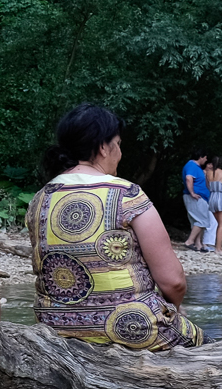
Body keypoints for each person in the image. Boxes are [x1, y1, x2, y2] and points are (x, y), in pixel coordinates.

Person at [28, 104, 202, 351]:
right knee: (206, 347)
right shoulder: (127, 194)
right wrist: (175, 309)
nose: (120, 152)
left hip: (55, 330)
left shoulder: (40, 199)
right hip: (134, 328)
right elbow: (173, 281)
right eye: (118, 144)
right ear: (102, 146)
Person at [182, 152, 214, 252]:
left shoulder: (197, 167)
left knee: (197, 221)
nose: (205, 160)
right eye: (205, 158)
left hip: (201, 197)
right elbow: (188, 178)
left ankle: (198, 244)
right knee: (202, 220)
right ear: (201, 157)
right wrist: (192, 193)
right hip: (195, 197)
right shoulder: (191, 165)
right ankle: (189, 241)